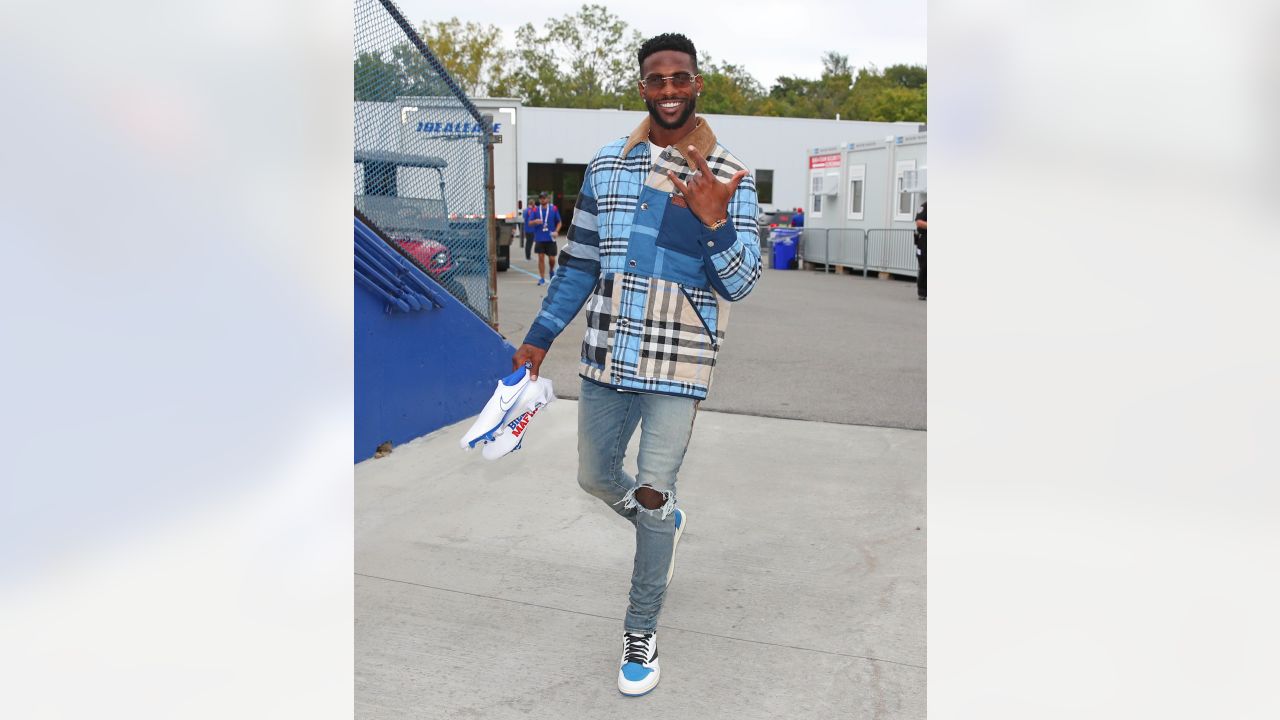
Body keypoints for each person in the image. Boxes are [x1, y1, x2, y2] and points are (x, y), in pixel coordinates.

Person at [510, 32, 761, 697]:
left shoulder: (731, 172)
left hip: (680, 364)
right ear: (643, 86)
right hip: (607, 357)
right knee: (595, 478)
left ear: (698, 83)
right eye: (658, 79)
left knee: (652, 489)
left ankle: (641, 628)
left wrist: (715, 224)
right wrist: (539, 337)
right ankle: (662, 525)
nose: (670, 90)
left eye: (682, 78)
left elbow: (741, 283)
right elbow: (581, 264)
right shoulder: (606, 165)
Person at [525, 191, 561, 285]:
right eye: (541, 198)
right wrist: (535, 221)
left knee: (552, 259)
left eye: (544, 198)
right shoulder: (536, 210)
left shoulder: (553, 208)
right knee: (541, 258)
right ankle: (541, 278)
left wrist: (556, 231)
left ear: (548, 199)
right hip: (540, 238)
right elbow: (529, 222)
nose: (542, 199)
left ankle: (551, 270)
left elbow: (559, 222)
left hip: (550, 238)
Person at [914, 200, 927, 300]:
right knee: (925, 266)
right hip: (925, 240)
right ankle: (922, 292)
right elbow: (919, 222)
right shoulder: (925, 206)